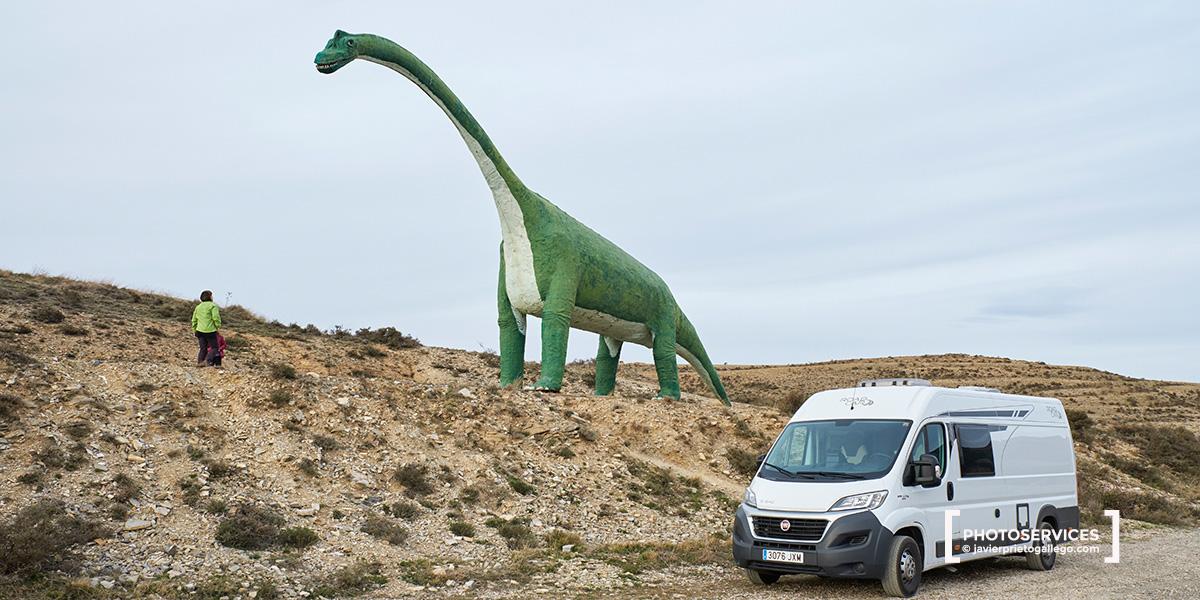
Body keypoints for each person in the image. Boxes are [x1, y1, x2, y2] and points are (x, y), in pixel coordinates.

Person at [191, 290, 222, 366]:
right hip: (210, 331)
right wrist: (217, 326)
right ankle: (208, 360)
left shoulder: (198, 307)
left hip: (199, 330)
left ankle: (200, 362)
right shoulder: (213, 306)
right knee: (215, 348)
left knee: (203, 348)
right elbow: (215, 318)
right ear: (210, 297)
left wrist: (195, 329)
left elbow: (194, 320)